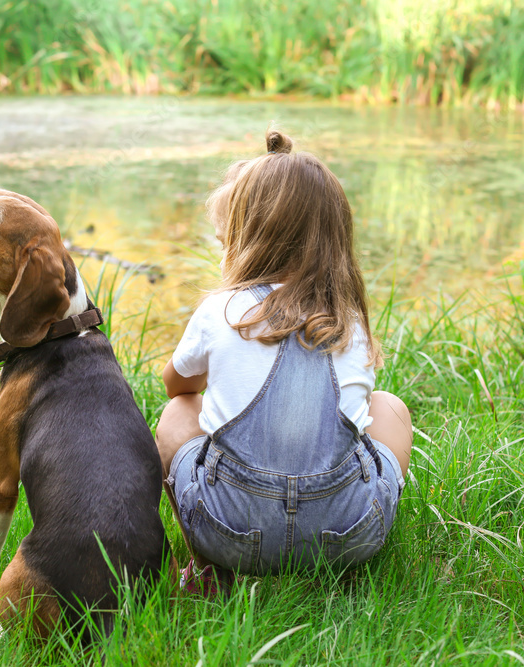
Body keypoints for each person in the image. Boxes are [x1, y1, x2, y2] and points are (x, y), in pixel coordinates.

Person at [155, 129, 413, 595]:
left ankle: (208, 570)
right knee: (390, 407)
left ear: (245, 233)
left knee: (177, 416)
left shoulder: (222, 310)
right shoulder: (348, 320)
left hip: (227, 531)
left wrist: (225, 373)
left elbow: (176, 387)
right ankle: (343, 573)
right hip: (344, 536)